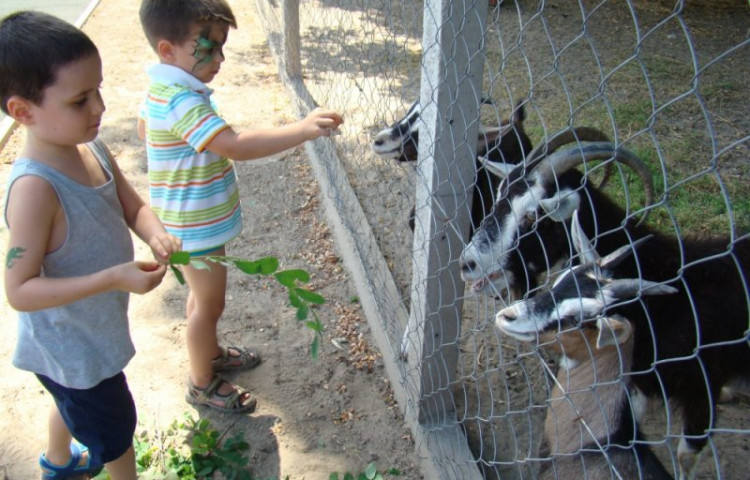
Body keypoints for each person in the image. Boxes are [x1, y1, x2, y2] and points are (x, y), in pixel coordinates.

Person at [136, 0, 343, 414]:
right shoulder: (181, 101)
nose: (220, 58)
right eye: (208, 47)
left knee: (201, 300)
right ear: (167, 50)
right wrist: (301, 130)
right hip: (194, 229)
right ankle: (201, 383)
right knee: (209, 306)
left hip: (184, 222)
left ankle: (209, 354)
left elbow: (145, 130)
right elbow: (235, 146)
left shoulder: (162, 90)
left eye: (222, 46)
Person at [0, 11, 182, 480]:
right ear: (23, 112)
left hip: (88, 336)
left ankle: (58, 463)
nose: (99, 107)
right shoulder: (35, 190)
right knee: (115, 435)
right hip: (73, 349)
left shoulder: (91, 146)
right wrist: (111, 278)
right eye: (80, 100)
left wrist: (154, 232)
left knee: (69, 402)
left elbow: (131, 204)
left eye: (97, 90)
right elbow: (19, 290)